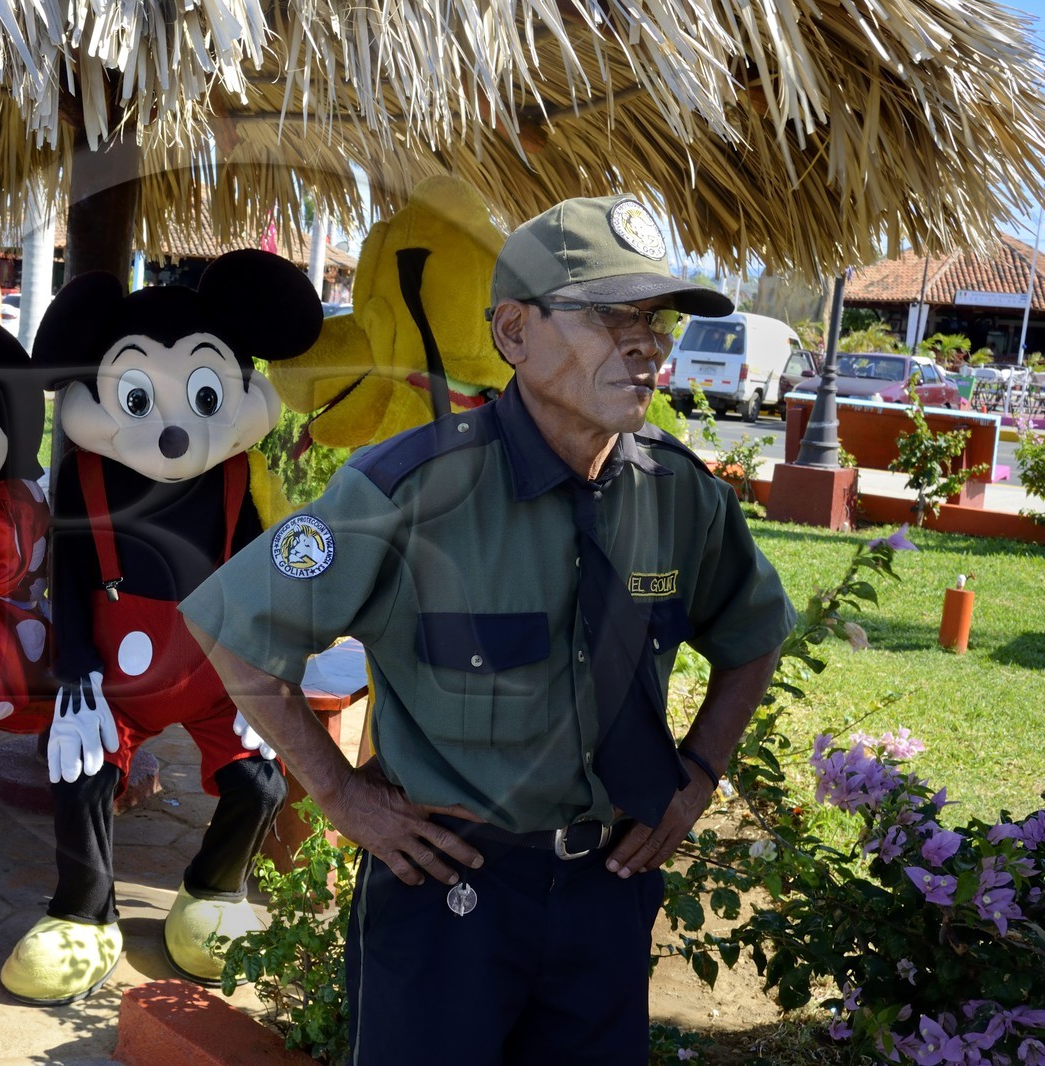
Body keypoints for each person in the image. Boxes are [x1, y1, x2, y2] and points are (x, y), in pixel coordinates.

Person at [181, 195, 796, 1063]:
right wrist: (341, 793)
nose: (645, 343)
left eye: (653, 319)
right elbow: (235, 626)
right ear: (513, 332)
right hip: (447, 892)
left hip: (609, 887)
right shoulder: (407, 490)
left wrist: (698, 772)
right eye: (608, 315)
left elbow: (753, 631)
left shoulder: (679, 494)